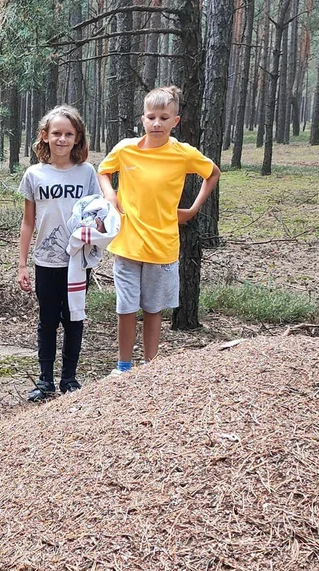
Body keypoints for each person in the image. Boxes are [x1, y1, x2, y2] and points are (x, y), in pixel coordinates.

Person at [97, 86, 220, 375]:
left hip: (162, 244)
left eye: (164, 118)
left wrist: (193, 209)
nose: (157, 123)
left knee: (153, 309)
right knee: (126, 307)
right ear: (142, 119)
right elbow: (103, 170)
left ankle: (150, 367)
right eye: (151, 117)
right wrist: (110, 196)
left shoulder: (183, 153)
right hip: (127, 242)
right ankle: (123, 366)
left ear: (175, 121)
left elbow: (212, 173)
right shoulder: (125, 149)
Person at [16, 106, 100, 401]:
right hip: (46, 260)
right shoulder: (34, 175)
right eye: (56, 134)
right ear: (45, 136)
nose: (62, 139)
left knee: (73, 318)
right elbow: (29, 222)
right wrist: (22, 264)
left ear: (78, 138)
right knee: (48, 319)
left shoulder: (86, 173)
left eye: (68, 134)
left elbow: (97, 213)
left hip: (77, 262)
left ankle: (70, 379)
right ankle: (45, 380)